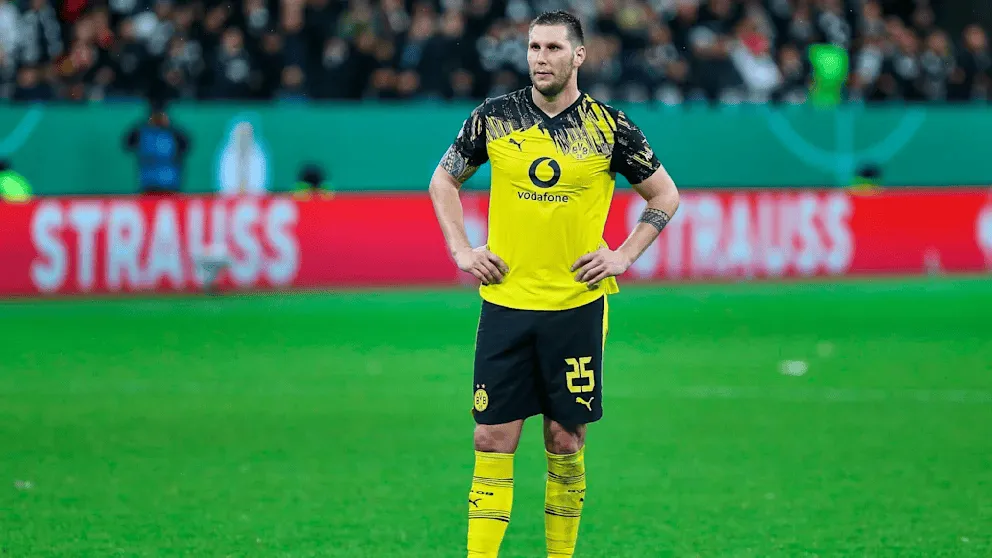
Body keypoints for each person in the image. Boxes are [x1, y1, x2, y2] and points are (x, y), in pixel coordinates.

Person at [428, 11, 680, 558]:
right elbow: (443, 180)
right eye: (534, 47)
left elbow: (665, 195)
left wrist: (624, 254)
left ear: (579, 55)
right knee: (491, 437)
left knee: (565, 439)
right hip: (506, 304)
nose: (540, 58)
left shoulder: (610, 128)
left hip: (576, 307)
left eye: (553, 48)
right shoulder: (494, 117)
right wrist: (462, 250)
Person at [124, 98, 190, 194]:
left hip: (170, 184)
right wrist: (144, 124)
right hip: (148, 184)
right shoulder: (142, 131)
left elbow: (186, 145)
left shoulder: (173, 132)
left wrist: (171, 126)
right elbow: (128, 143)